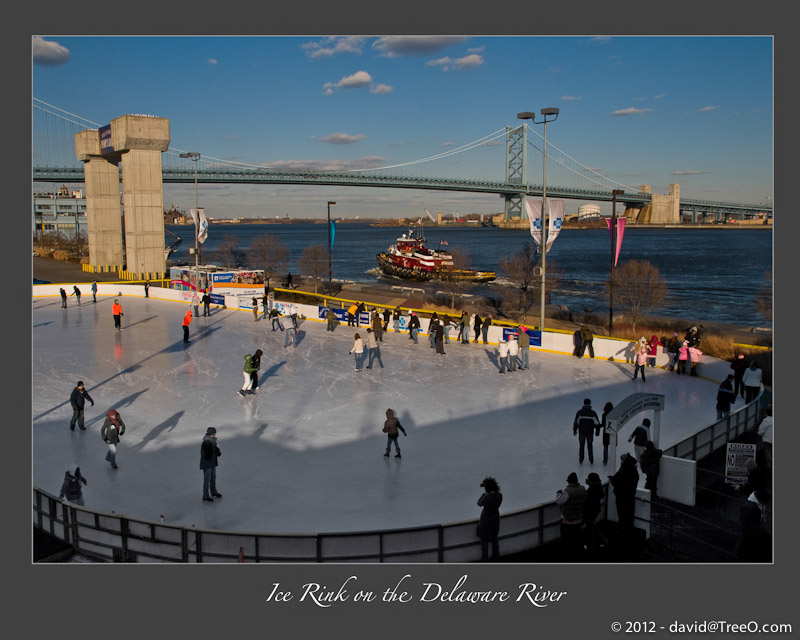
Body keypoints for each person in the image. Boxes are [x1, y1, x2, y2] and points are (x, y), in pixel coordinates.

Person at [556, 472, 586, 560]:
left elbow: (559, 501)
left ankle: (568, 556)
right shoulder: (582, 488)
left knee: (567, 539)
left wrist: (559, 494)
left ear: (569, 481)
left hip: (568, 520)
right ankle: (577, 554)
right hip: (579, 518)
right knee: (576, 537)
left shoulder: (567, 492)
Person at [736, 489, 770, 562]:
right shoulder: (749, 507)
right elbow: (744, 523)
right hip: (750, 531)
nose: (764, 504)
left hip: (751, 530)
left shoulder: (754, 504)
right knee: (743, 544)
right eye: (763, 502)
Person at [610, 453, 639, 535]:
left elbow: (614, 481)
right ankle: (630, 531)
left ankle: (623, 532)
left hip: (622, 497)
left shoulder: (623, 470)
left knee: (622, 515)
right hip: (630, 496)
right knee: (630, 515)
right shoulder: (634, 469)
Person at [476, 477, 502, 562]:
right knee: (494, 539)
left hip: (485, 522)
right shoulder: (499, 496)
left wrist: (484, 494)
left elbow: (479, 503)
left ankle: (484, 560)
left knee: (484, 541)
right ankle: (496, 558)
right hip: (495, 521)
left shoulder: (486, 497)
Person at [583, 472, 608, 552]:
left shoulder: (592, 490)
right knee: (592, 525)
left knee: (590, 528)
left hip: (590, 511)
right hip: (596, 509)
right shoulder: (598, 487)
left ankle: (592, 545)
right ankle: (602, 541)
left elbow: (587, 500)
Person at [573, 398, 601, 464]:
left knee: (581, 446)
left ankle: (581, 459)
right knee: (590, 446)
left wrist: (575, 430)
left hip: (582, 432)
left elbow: (576, 422)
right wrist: (597, 432)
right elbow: (597, 423)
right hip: (590, 433)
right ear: (590, 404)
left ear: (584, 403)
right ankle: (591, 460)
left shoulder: (579, 412)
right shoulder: (593, 413)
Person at [200, 427, 222, 502]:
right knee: (207, 479)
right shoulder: (206, 442)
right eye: (214, 433)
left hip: (212, 463)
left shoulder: (213, 440)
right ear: (210, 434)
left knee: (213, 478)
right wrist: (214, 450)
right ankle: (205, 496)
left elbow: (216, 451)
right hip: (207, 464)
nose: (215, 434)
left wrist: (217, 450)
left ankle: (214, 492)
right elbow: (206, 455)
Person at [757, 405, 773, 469]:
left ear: (766, 413)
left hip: (767, 440)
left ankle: (769, 464)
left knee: (768, 453)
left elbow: (761, 431)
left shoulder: (766, 420)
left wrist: (760, 434)